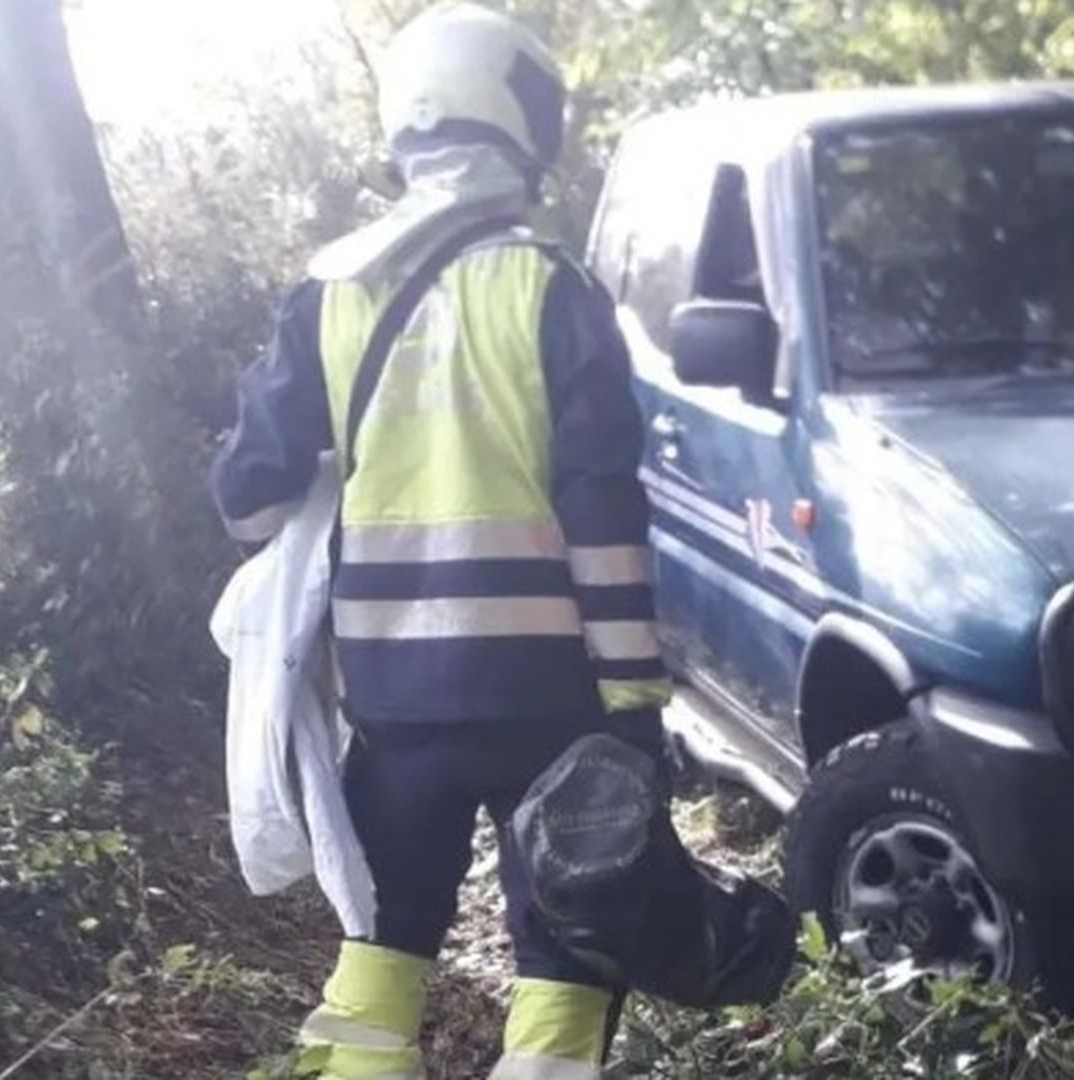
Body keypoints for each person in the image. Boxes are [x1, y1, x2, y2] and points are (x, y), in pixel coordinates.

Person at [209, 5, 670, 1077]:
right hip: (549, 695)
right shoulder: (553, 290)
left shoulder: (327, 295)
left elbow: (249, 495)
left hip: (394, 695)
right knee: (568, 929)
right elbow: (605, 522)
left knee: (386, 928)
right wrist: (634, 703)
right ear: (518, 120)